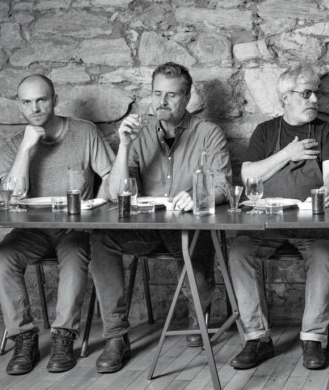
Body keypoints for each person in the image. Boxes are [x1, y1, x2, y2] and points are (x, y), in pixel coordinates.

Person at [91, 62, 231, 373]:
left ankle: (198, 314)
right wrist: (125, 146)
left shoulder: (208, 133)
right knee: (101, 239)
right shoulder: (138, 136)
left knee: (200, 246)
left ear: (187, 97)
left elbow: (223, 185)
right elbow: (115, 193)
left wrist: (198, 196)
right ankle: (116, 337)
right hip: (147, 226)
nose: (162, 102)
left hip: (187, 226)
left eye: (171, 95)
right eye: (157, 94)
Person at [0, 75, 114, 375]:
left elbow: (112, 176)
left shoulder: (85, 132)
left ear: (55, 99)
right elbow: (13, 193)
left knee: (75, 259)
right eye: (27, 102)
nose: (35, 107)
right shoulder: (12, 146)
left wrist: (96, 208)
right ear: (19, 105)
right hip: (30, 231)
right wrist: (26, 148)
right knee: (0, 258)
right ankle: (24, 338)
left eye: (41, 99)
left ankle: (63, 337)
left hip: (75, 229)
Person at [227, 65, 329, 371]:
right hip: (267, 225)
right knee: (238, 251)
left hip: (311, 225)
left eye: (316, 92)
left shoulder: (325, 131)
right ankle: (257, 338)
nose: (315, 99)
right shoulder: (265, 131)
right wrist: (287, 154)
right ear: (285, 98)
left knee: (324, 252)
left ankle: (313, 338)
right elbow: (248, 175)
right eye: (307, 93)